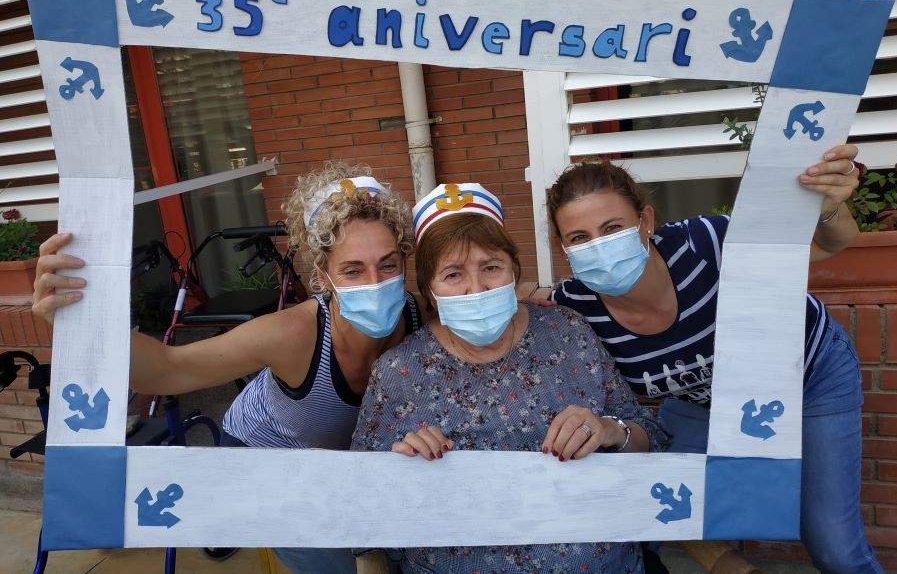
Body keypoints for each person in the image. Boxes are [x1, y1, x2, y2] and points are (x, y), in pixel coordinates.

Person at [32, 162, 427, 574]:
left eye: (388, 265)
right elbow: (168, 369)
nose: (374, 282)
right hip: (265, 455)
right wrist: (84, 320)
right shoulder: (291, 334)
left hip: (341, 459)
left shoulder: (419, 319)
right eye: (352, 269)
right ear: (322, 276)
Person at [546, 146, 882, 574]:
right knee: (649, 503)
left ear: (646, 221)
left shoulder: (705, 242)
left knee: (835, 547)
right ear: (563, 247)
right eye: (579, 238)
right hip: (703, 404)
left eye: (612, 227)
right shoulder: (573, 310)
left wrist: (830, 206)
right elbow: (520, 331)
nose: (599, 246)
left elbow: (827, 243)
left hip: (809, 376)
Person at [351, 182, 669, 574]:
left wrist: (609, 430)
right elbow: (361, 501)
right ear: (430, 291)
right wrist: (402, 467)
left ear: (514, 271)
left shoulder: (567, 332)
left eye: (491, 267)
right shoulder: (399, 372)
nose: (476, 288)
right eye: (453, 274)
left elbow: (650, 437)